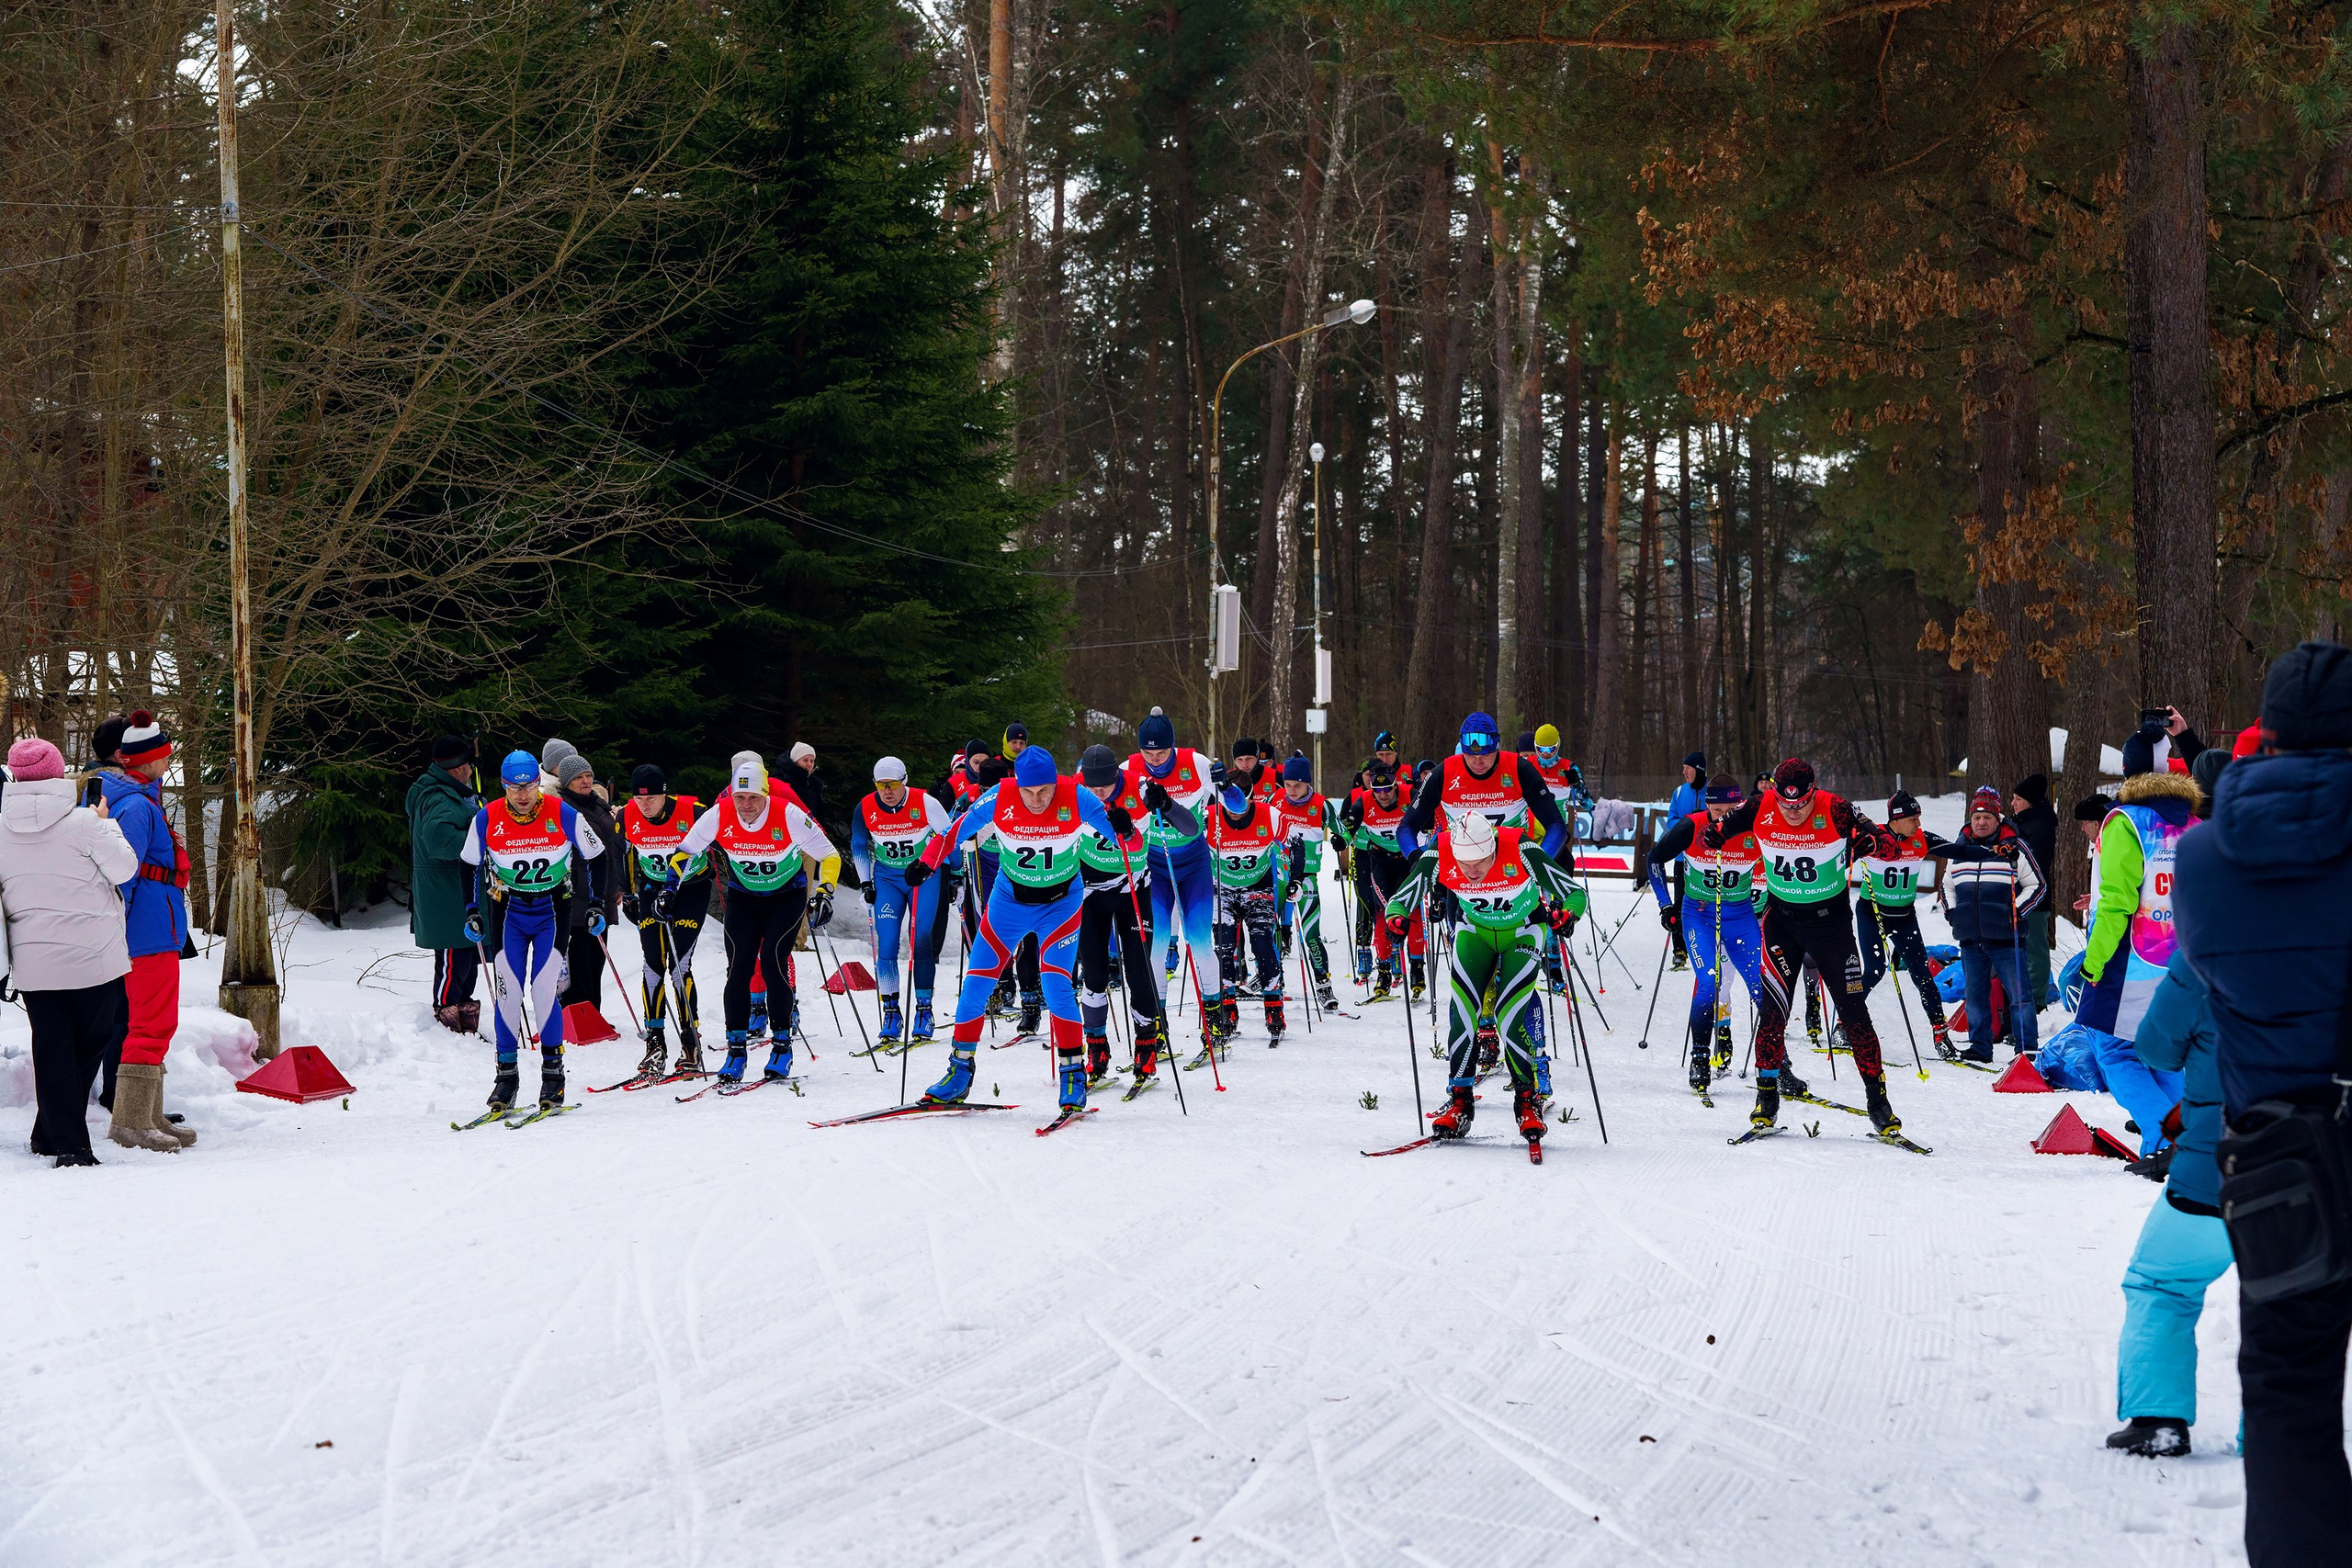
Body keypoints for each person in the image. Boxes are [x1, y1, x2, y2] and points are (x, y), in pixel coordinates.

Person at [2171, 640, 2352, 1566]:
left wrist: (2225, 779)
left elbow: (2206, 963)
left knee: (2288, 1396)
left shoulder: (2204, 860)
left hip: (2280, 1158)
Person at [908, 745, 1128, 1112]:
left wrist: (1124, 826)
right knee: (977, 982)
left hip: (1061, 904)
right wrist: (926, 862)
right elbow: (955, 831)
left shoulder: (1077, 797)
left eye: (1045, 790)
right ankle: (959, 1070)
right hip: (1009, 903)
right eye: (1030, 791)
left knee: (1056, 984)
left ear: (1056, 782)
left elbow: (1127, 840)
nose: (1038, 799)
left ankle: (1073, 1071)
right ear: (1018, 784)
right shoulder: (1000, 797)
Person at [1705, 757, 1908, 1138]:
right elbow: (1719, 829)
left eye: (1801, 804)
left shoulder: (1836, 808)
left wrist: (1872, 843)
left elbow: (1891, 847)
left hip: (1830, 926)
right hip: (1782, 924)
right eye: (1786, 803)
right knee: (1772, 1012)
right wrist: (1716, 834)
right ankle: (1766, 1099)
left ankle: (1879, 1104)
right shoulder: (1760, 805)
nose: (1793, 811)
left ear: (1813, 792)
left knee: (1854, 1014)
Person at [1385, 809, 1586, 1147]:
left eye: (1482, 861)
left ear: (1493, 846)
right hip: (1474, 932)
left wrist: (1568, 915)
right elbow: (1403, 896)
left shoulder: (1520, 849)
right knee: (1463, 1013)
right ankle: (1461, 1100)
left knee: (1508, 1017)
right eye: (1465, 864)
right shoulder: (1441, 850)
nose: (1473, 871)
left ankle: (1527, 1099)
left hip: (1523, 933)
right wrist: (1396, 917)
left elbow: (1575, 893)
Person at [2106, 946, 2231, 1459]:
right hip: (2319, 1169)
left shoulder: (2207, 955)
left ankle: (2159, 1421)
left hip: (2213, 1170)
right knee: (2293, 1303)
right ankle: (2283, 1435)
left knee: (2163, 1283)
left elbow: (2154, 1048)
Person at [0, 737, 141, 1164]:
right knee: (92, 1040)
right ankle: (72, 1147)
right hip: (92, 955)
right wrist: (106, 823)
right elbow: (125, 869)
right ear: (58, 772)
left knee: (52, 1047)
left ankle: (49, 1133)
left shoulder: (0, 827)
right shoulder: (84, 822)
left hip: (32, 957)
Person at [668, 753, 839, 1086]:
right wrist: (670, 888)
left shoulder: (787, 814)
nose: (746, 805)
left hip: (786, 897)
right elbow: (687, 850)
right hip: (744, 898)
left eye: (754, 797)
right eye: (740, 797)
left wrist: (826, 892)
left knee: (774, 964)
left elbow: (828, 854)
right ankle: (736, 1050)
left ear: (766, 795)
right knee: (739, 969)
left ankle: (781, 1045)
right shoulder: (720, 814)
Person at [461, 750, 610, 1113]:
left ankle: (553, 1075)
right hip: (507, 911)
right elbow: (468, 865)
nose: (523, 795)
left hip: (551, 910)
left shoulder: (560, 811)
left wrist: (596, 904)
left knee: (544, 991)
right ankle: (506, 1078)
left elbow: (598, 855)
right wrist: (471, 911)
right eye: (515, 788)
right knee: (508, 992)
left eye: (529, 786)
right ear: (504, 786)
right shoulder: (486, 818)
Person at [98, 712, 198, 1150]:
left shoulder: (137, 798)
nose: (168, 761)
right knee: (149, 1025)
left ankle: (149, 1115)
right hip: (147, 933)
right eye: (164, 755)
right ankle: (130, 1123)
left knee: (157, 1023)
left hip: (154, 929)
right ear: (151, 759)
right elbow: (124, 875)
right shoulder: (138, 805)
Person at [1649, 775, 1772, 1091]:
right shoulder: (1692, 826)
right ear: (1708, 806)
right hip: (1699, 915)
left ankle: (1776, 1063)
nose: (1726, 817)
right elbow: (1654, 859)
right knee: (1708, 981)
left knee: (1764, 986)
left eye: (1733, 809)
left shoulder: (1753, 829)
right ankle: (1701, 1058)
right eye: (1719, 810)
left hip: (1740, 915)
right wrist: (1666, 905)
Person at [1074, 743, 1186, 1087]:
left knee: (1139, 971)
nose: (1098, 794)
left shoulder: (1139, 787)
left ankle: (1146, 1045)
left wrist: (1164, 804)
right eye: (1092, 788)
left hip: (1133, 890)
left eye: (1104, 787)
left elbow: (1188, 826)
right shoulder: (1072, 790)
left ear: (1116, 777)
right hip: (1090, 893)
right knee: (1093, 975)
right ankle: (1096, 1047)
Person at [2080, 750, 2200, 1043]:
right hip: (2181, 960)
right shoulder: (2194, 824)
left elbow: (2116, 902)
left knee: (2114, 1052)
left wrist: (2093, 964)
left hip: (2131, 962)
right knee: (2163, 1053)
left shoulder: (2125, 821)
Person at [1124, 710, 1227, 1047]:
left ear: (1173, 747)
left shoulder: (1195, 763)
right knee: (1154, 951)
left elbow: (1237, 805)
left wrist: (1227, 784)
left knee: (1199, 944)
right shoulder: (1128, 771)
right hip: (1153, 867)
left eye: (1161, 753)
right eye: (1148, 753)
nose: (1154, 761)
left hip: (1193, 864)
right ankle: (1157, 1022)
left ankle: (1214, 1017)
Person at [1926, 786, 2045, 1062]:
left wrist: (2015, 911)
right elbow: (1946, 887)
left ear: (1997, 818)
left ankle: (2026, 1051)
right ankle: (1980, 1048)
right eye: (1977, 817)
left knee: (2020, 997)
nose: (1981, 822)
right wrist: (1953, 914)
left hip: (2006, 939)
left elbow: (2036, 885)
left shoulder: (2014, 847)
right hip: (1970, 939)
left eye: (1987, 818)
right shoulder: (1960, 849)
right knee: (1975, 997)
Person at [850, 756, 954, 1048]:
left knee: (921, 941)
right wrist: (866, 883)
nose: (887, 791)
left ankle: (924, 1011)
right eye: (881, 785)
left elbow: (948, 836)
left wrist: (954, 875)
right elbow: (859, 844)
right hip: (887, 878)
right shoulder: (865, 807)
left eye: (892, 784)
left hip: (923, 875)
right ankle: (891, 1014)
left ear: (904, 781)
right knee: (888, 946)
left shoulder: (925, 802)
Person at [618, 764, 709, 1081]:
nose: (645, 805)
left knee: (679, 964)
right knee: (652, 964)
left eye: (652, 798)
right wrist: (628, 894)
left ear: (664, 793)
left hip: (691, 890)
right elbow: (623, 853)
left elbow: (722, 844)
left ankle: (690, 1042)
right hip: (651, 889)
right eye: (639, 798)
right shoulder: (626, 815)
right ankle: (655, 1041)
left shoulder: (693, 812)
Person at [1852, 790, 1954, 1057]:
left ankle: (1940, 1035)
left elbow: (1958, 848)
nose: (1918, 824)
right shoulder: (1874, 839)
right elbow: (1842, 856)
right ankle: (1845, 1023)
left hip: (1904, 916)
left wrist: (1991, 851)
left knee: (1922, 974)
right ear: (1896, 819)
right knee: (1874, 971)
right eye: (1913, 819)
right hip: (1872, 912)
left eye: (1919, 818)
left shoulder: (1921, 839)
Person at [407, 736, 481, 1034]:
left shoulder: (452, 794)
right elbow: (440, 841)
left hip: (455, 894)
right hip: (446, 896)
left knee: (467, 960)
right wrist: (479, 841)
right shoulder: (439, 797)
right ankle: (445, 1020)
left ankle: (464, 1024)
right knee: (454, 961)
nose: (471, 771)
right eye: (468, 766)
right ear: (458, 769)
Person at [1205, 782, 1289, 1041]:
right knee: (1223, 945)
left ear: (1251, 799)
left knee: (1263, 943)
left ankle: (1273, 1005)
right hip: (1223, 889)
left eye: (1240, 807)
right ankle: (1227, 1007)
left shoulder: (1271, 815)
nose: (1234, 813)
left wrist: (1293, 878)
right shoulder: (1209, 816)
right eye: (1228, 808)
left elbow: (1293, 845)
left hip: (1258, 888)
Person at [1341, 763, 1425, 1000]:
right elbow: (1350, 825)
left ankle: (1417, 968)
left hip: (1409, 859)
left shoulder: (1410, 795)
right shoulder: (1366, 800)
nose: (1383, 794)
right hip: (1380, 861)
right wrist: (1342, 838)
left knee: (1413, 910)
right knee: (1385, 913)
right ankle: (1384, 971)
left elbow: (1432, 814)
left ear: (1395, 784)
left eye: (1388, 788)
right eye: (1378, 789)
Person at [1274, 755, 1343, 1011]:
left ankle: (1323, 985)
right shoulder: (1275, 801)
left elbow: (1342, 830)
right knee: (1270, 930)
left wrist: (1341, 840)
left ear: (1307, 783)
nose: (1292, 791)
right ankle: (1272, 980)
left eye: (1297, 785)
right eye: (1287, 784)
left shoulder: (1321, 805)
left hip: (1307, 877)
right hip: (1278, 875)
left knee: (1311, 935)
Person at [555, 751, 620, 1015]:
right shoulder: (566, 808)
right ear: (566, 781)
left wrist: (618, 887)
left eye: (588, 775)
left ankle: (594, 1013)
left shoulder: (598, 804)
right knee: (579, 958)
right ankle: (577, 1013)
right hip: (580, 892)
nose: (585, 781)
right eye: (578, 777)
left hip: (603, 893)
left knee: (597, 958)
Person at [2009, 773, 2060, 1007]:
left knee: (2035, 951)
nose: (2013, 803)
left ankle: (2037, 1000)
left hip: (2034, 900)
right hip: (2014, 896)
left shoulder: (2041, 826)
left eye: (2017, 799)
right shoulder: (2021, 823)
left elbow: (2034, 865)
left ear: (2030, 801)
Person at [1665, 752, 1707, 971]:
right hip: (1683, 858)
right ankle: (1679, 949)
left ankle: (1706, 945)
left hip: (1707, 860)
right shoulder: (1680, 792)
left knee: (1706, 902)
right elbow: (1670, 820)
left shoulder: (1713, 791)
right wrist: (1688, 823)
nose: (1684, 772)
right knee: (1680, 902)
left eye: (1687, 768)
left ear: (1698, 769)